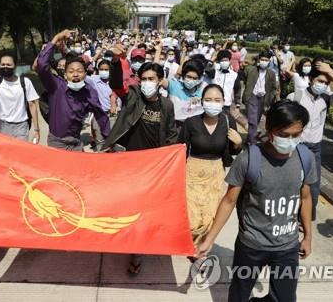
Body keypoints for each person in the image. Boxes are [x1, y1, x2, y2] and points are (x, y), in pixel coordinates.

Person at [197, 100, 317, 302]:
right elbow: (229, 201)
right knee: (239, 295)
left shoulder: (305, 158)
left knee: (285, 298)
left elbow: (305, 198)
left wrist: (307, 237)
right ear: (269, 130)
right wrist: (209, 239)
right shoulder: (248, 160)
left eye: (296, 135)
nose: (289, 141)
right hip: (252, 245)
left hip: (287, 246)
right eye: (283, 135)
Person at [103, 60, 177, 276]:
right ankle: (127, 242)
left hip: (154, 168)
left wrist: (170, 161)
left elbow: (171, 134)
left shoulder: (167, 106)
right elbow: (116, 84)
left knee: (145, 211)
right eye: (143, 79)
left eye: (151, 79)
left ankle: (137, 252)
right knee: (127, 206)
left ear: (160, 81)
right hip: (129, 163)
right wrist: (117, 62)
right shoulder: (133, 96)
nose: (146, 83)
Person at [179, 84, 242, 260]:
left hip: (216, 174)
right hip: (192, 171)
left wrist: (238, 143)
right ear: (201, 101)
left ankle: (200, 249)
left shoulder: (229, 121)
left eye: (217, 100)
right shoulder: (191, 122)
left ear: (223, 102)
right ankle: (192, 242)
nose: (212, 103)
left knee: (210, 216)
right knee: (192, 217)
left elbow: (234, 151)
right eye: (208, 100)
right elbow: (181, 149)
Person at [287, 60, 333, 220]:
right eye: (320, 81)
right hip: (295, 147)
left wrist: (331, 72)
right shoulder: (296, 96)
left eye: (326, 83)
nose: (322, 85)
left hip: (314, 148)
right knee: (292, 182)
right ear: (311, 80)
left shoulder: (327, 98)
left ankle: (306, 218)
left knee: (313, 186)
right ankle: (288, 215)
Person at [36, 29, 110, 151]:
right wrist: (56, 38)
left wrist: (109, 138)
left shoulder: (89, 92)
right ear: (65, 75)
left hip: (76, 142)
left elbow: (101, 115)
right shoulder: (56, 86)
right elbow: (42, 65)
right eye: (71, 71)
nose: (75, 74)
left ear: (85, 75)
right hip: (57, 143)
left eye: (79, 71)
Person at [242, 50, 278, 145]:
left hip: (263, 99)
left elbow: (274, 88)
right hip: (252, 97)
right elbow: (244, 78)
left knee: (256, 120)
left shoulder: (271, 73)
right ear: (259, 60)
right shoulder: (251, 69)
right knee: (253, 121)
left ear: (269, 61)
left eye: (266, 60)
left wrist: (270, 98)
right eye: (262, 59)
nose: (264, 61)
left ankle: (250, 138)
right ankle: (252, 143)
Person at [161, 59, 206, 132]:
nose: (191, 80)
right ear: (183, 75)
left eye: (194, 78)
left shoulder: (201, 94)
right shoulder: (174, 86)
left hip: (191, 130)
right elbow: (157, 77)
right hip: (173, 127)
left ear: (199, 79)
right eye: (188, 77)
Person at [86, 60, 116, 150]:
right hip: (98, 115)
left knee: (112, 141)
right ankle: (100, 160)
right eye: (101, 69)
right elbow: (81, 74)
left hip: (112, 115)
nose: (104, 71)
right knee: (99, 140)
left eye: (106, 69)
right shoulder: (94, 79)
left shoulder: (115, 81)